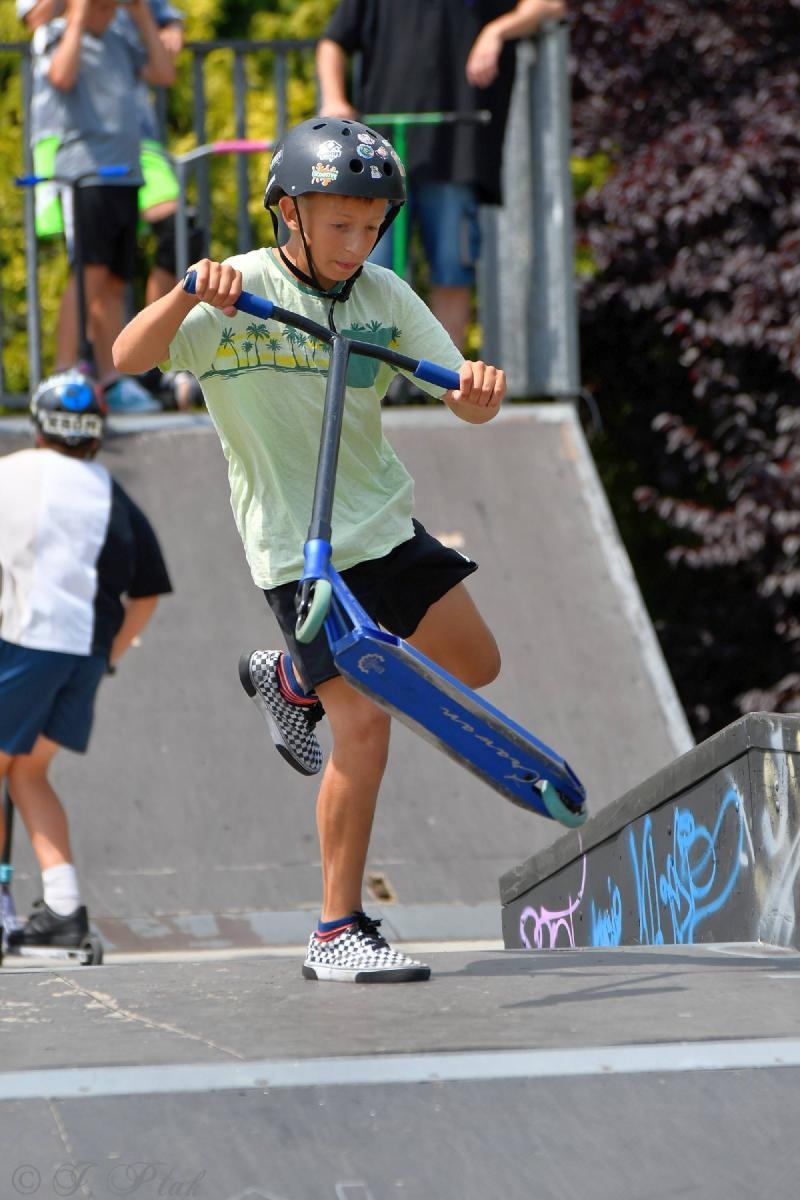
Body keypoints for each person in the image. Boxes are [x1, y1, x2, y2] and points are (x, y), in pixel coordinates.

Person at [113, 117, 505, 984]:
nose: (357, 244)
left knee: (478, 665)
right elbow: (127, 355)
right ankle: (336, 930)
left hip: (383, 527)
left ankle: (290, 679)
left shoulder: (384, 298)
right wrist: (188, 294)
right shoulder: (239, 291)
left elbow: (462, 399)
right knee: (362, 726)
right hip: (300, 552)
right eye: (340, 225)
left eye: (372, 226)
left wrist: (477, 391)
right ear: (288, 211)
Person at [0, 370, 172, 953]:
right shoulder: (108, 491)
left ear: (38, 428)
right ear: (96, 435)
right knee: (27, 773)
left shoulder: (13, 472)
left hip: (25, 639)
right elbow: (147, 593)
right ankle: (63, 910)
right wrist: (108, 657)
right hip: (86, 653)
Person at [316, 0, 566, 359]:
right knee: (364, 272)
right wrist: (334, 99)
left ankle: (445, 380)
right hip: (377, 161)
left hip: (455, 155)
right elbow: (333, 41)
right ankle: (363, 380)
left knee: (452, 272)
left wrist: (496, 31)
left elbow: (550, 6)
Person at [26, 0, 176, 412]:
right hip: (86, 174)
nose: (110, 12)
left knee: (114, 282)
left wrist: (141, 14)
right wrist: (76, 15)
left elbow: (163, 73)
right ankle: (61, 372)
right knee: (87, 274)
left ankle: (111, 380)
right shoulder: (60, 35)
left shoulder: (120, 36)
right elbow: (60, 76)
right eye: (103, 6)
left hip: (125, 174)